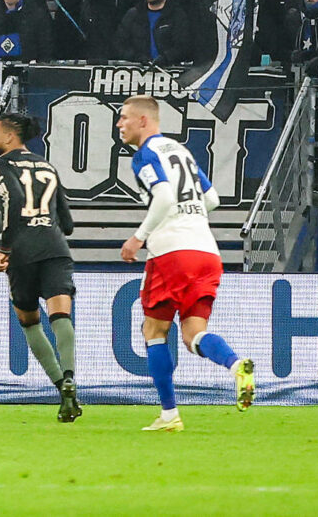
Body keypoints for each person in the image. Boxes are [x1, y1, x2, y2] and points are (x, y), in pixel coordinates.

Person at [116, 95, 254, 428]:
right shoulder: (181, 151)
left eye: (124, 118)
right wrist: (188, 217)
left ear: (144, 121)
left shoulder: (146, 154)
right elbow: (212, 199)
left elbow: (163, 195)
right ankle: (237, 366)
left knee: (154, 330)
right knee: (194, 334)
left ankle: (169, 414)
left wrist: (140, 236)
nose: (120, 124)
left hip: (172, 254)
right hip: (206, 251)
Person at [0, 112, 81, 420]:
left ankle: (61, 385)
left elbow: (13, 203)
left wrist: (4, 248)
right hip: (55, 246)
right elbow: (69, 222)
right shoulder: (48, 166)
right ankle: (71, 375)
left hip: (23, 250)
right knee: (60, 314)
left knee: (30, 322)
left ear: (10, 137)